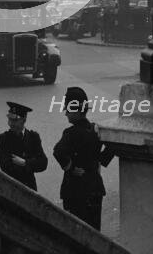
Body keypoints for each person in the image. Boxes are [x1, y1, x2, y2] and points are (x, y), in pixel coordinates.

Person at [53, 86, 114, 230]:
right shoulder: (96, 129)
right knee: (94, 230)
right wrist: (97, 160)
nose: (66, 114)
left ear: (76, 111)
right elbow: (110, 149)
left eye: (68, 110)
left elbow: (58, 152)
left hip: (74, 190)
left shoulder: (70, 133)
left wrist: (71, 168)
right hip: (95, 187)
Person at [0, 102, 47, 191]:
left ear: (23, 120)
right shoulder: (4, 138)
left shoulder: (33, 137)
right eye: (9, 119)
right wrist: (31, 164)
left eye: (15, 120)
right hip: (11, 188)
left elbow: (43, 163)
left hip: (30, 188)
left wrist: (25, 162)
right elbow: (5, 166)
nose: (10, 123)